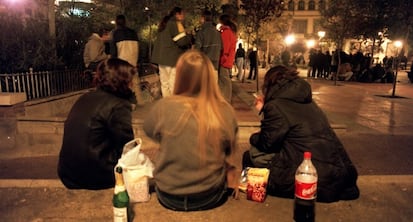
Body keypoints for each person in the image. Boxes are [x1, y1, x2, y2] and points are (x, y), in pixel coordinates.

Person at [242, 65, 359, 203]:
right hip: (337, 174)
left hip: (312, 178)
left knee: (252, 154)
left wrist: (256, 129)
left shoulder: (276, 105)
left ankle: (252, 187)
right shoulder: (307, 100)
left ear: (269, 84)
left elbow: (267, 143)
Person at [143, 49, 239, 211]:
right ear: (210, 77)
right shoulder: (224, 111)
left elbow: (150, 131)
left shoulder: (162, 107)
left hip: (168, 196)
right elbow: (228, 150)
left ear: (180, 76)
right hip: (209, 196)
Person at [58, 58, 137, 190]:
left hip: (67, 174)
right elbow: (127, 148)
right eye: (130, 80)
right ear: (122, 80)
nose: (133, 84)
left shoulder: (84, 97)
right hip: (96, 176)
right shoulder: (119, 105)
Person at [151, 7, 192, 97]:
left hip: (161, 59)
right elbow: (182, 42)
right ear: (177, 14)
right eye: (182, 14)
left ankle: (167, 104)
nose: (183, 17)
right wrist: (189, 36)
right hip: (172, 58)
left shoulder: (163, 24)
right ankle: (173, 104)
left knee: (164, 84)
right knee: (173, 83)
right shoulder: (176, 23)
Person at [110, 14, 144, 105]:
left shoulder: (115, 33)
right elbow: (140, 49)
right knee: (135, 83)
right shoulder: (133, 32)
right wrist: (139, 61)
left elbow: (113, 52)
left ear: (116, 22)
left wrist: (112, 63)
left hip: (122, 63)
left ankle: (129, 104)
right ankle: (140, 101)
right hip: (134, 62)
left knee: (124, 84)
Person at [218, 14, 237, 103]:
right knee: (225, 80)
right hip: (228, 59)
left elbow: (225, 47)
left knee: (224, 81)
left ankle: (225, 100)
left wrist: (222, 59)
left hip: (224, 60)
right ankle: (225, 99)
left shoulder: (226, 32)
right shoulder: (230, 32)